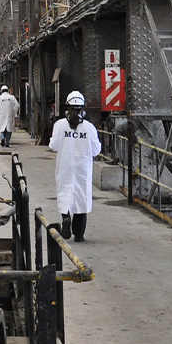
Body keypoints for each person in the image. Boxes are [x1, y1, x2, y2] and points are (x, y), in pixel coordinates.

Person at [49, 91, 101, 240]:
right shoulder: (89, 128)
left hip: (65, 166)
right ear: (82, 108)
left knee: (65, 193)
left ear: (68, 107)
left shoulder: (59, 125)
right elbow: (96, 150)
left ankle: (66, 217)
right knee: (81, 198)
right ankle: (79, 234)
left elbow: (53, 145)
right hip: (82, 168)